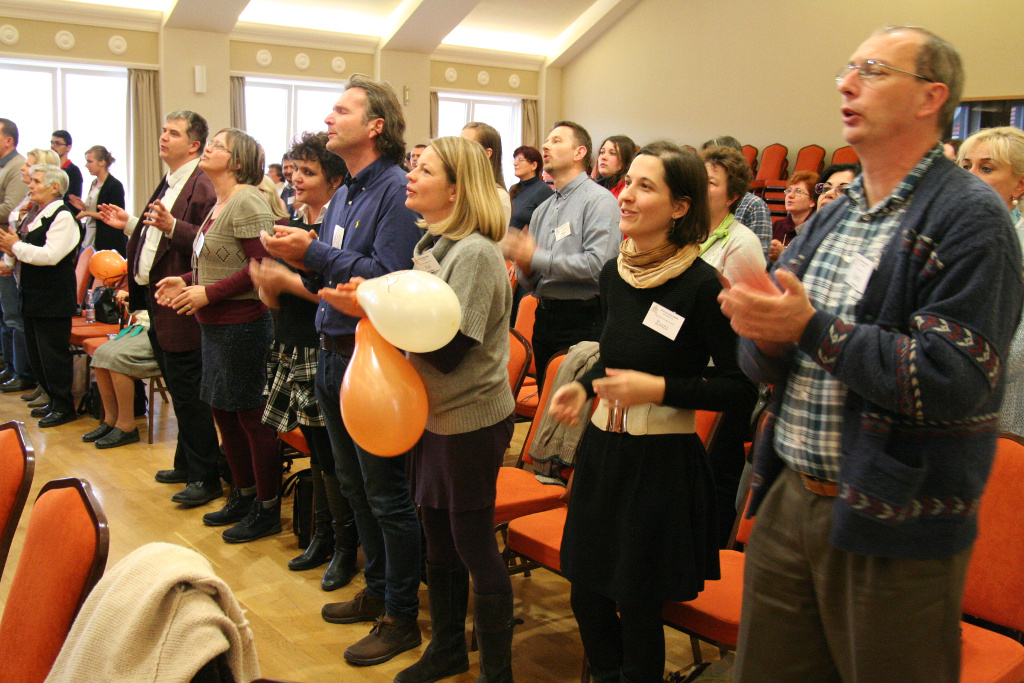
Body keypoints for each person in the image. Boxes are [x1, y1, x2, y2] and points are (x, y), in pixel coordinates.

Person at [718, 26, 1023, 683]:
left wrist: (808, 327)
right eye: (847, 69)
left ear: (930, 97)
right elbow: (773, 359)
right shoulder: (838, 211)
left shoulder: (970, 217)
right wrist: (764, 333)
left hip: (896, 516)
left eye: (874, 71)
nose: (847, 84)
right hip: (790, 493)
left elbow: (954, 377)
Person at [547, 141, 756, 682]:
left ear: (680, 206)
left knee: (638, 607)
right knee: (586, 595)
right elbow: (616, 356)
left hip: (659, 465)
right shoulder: (614, 274)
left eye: (645, 186)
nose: (626, 196)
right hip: (603, 454)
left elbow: (740, 388)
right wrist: (585, 387)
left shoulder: (702, 284)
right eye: (627, 183)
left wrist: (658, 388)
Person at [324, 136, 518, 683]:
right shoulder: (434, 243)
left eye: (425, 170)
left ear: (456, 189)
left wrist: (372, 304)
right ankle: (448, 650)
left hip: (470, 417)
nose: (410, 176)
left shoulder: (475, 253)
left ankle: (497, 673)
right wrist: (375, 301)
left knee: (472, 543)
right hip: (432, 414)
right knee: (437, 539)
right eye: (414, 166)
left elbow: (450, 350)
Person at [261, 74, 424, 666]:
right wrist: (299, 259)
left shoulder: (396, 189)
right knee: (356, 488)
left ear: (375, 126)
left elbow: (385, 278)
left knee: (386, 494)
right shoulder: (348, 192)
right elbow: (337, 272)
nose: (328, 119)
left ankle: (402, 616)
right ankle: (377, 590)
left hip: (372, 361)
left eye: (341, 110)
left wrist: (313, 253)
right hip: (332, 353)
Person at [155, 128, 279, 543]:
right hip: (215, 325)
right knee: (224, 412)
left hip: (243, 324)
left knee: (251, 418)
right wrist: (187, 280)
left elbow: (261, 265)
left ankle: (266, 507)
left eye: (218, 146)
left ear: (238, 162)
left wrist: (208, 293)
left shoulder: (247, 199)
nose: (208, 149)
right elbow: (218, 262)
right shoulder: (220, 201)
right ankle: (242, 494)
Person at [249, 131, 359, 592]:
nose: (295, 178)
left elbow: (339, 295)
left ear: (334, 182)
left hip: (324, 346)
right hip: (292, 343)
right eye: (293, 169)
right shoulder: (290, 223)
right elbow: (273, 302)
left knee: (333, 454)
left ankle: (344, 546)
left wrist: (286, 280)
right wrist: (266, 281)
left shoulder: (333, 229)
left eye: (307, 172)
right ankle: (322, 535)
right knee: (317, 451)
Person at [98, 110, 221, 507]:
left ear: (195, 144)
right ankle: (187, 464)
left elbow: (211, 245)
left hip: (182, 305)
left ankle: (206, 477)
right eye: (164, 130)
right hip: (158, 304)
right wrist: (130, 223)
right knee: (180, 390)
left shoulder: (202, 184)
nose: (164, 137)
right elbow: (157, 238)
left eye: (174, 133)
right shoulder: (172, 180)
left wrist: (171, 227)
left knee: (190, 396)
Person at [504, 121, 621, 378]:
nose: (545, 146)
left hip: (583, 320)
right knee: (545, 398)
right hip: (544, 318)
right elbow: (529, 280)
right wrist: (525, 265)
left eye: (556, 141)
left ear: (579, 152)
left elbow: (599, 266)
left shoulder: (600, 201)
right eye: (546, 141)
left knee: (571, 402)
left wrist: (534, 257)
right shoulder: (543, 210)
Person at [0, 164, 81, 427]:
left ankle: (64, 406)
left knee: (53, 354)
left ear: (55, 187)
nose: (30, 185)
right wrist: (12, 253)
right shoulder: (36, 213)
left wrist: (15, 247)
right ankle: (53, 400)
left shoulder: (63, 216)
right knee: (37, 354)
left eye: (36, 181)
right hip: (33, 294)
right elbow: (22, 245)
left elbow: (50, 255)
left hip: (53, 297)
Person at [957, 127, 1024, 434]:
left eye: (986, 168)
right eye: (965, 166)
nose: (969, 176)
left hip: (1001, 399)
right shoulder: (949, 233)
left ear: (1019, 184)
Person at [81, 292, 159, 449]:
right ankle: (110, 420)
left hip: (159, 330)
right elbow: (142, 311)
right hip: (141, 327)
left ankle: (126, 426)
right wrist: (134, 301)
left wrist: (140, 299)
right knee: (100, 353)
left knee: (117, 359)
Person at [698, 145, 766, 285]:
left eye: (710, 182)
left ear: (732, 197)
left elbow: (740, 297)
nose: (699, 186)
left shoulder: (743, 243)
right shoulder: (679, 231)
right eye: (698, 179)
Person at [701, 136, 772, 261]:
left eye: (711, 182)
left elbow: (760, 255)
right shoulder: (685, 229)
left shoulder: (753, 205)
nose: (700, 187)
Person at [0, 120, 32, 395]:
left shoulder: (14, 167)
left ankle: (21, 372)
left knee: (12, 313)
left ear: (8, 140)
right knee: (4, 313)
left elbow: (10, 209)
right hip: (7, 247)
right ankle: (10, 366)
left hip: (10, 248)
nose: (26, 172)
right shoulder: (5, 166)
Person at [72, 145, 126, 254]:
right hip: (89, 236)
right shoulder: (94, 183)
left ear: (102, 162)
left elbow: (113, 214)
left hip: (106, 240)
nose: (86, 165)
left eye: (90, 162)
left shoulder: (114, 185)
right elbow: (97, 209)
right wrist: (84, 207)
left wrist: (87, 213)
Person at [460, 122, 512, 225]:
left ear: (487, 153)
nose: (459, 149)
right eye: (458, 143)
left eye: (466, 144)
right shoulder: (455, 187)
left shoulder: (499, 197)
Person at [769, 170, 818, 262]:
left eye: (798, 191)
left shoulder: (816, 229)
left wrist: (783, 254)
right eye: (789, 190)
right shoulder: (777, 226)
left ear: (812, 201)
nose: (790, 195)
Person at [508, 145, 554, 230]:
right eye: (514, 159)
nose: (515, 163)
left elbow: (548, 225)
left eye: (520, 160)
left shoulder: (543, 190)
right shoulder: (513, 188)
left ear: (534, 165)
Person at [50, 129, 83, 206]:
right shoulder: (50, 168)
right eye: (52, 142)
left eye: (57, 143)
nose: (53, 146)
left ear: (68, 147)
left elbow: (73, 202)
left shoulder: (73, 171)